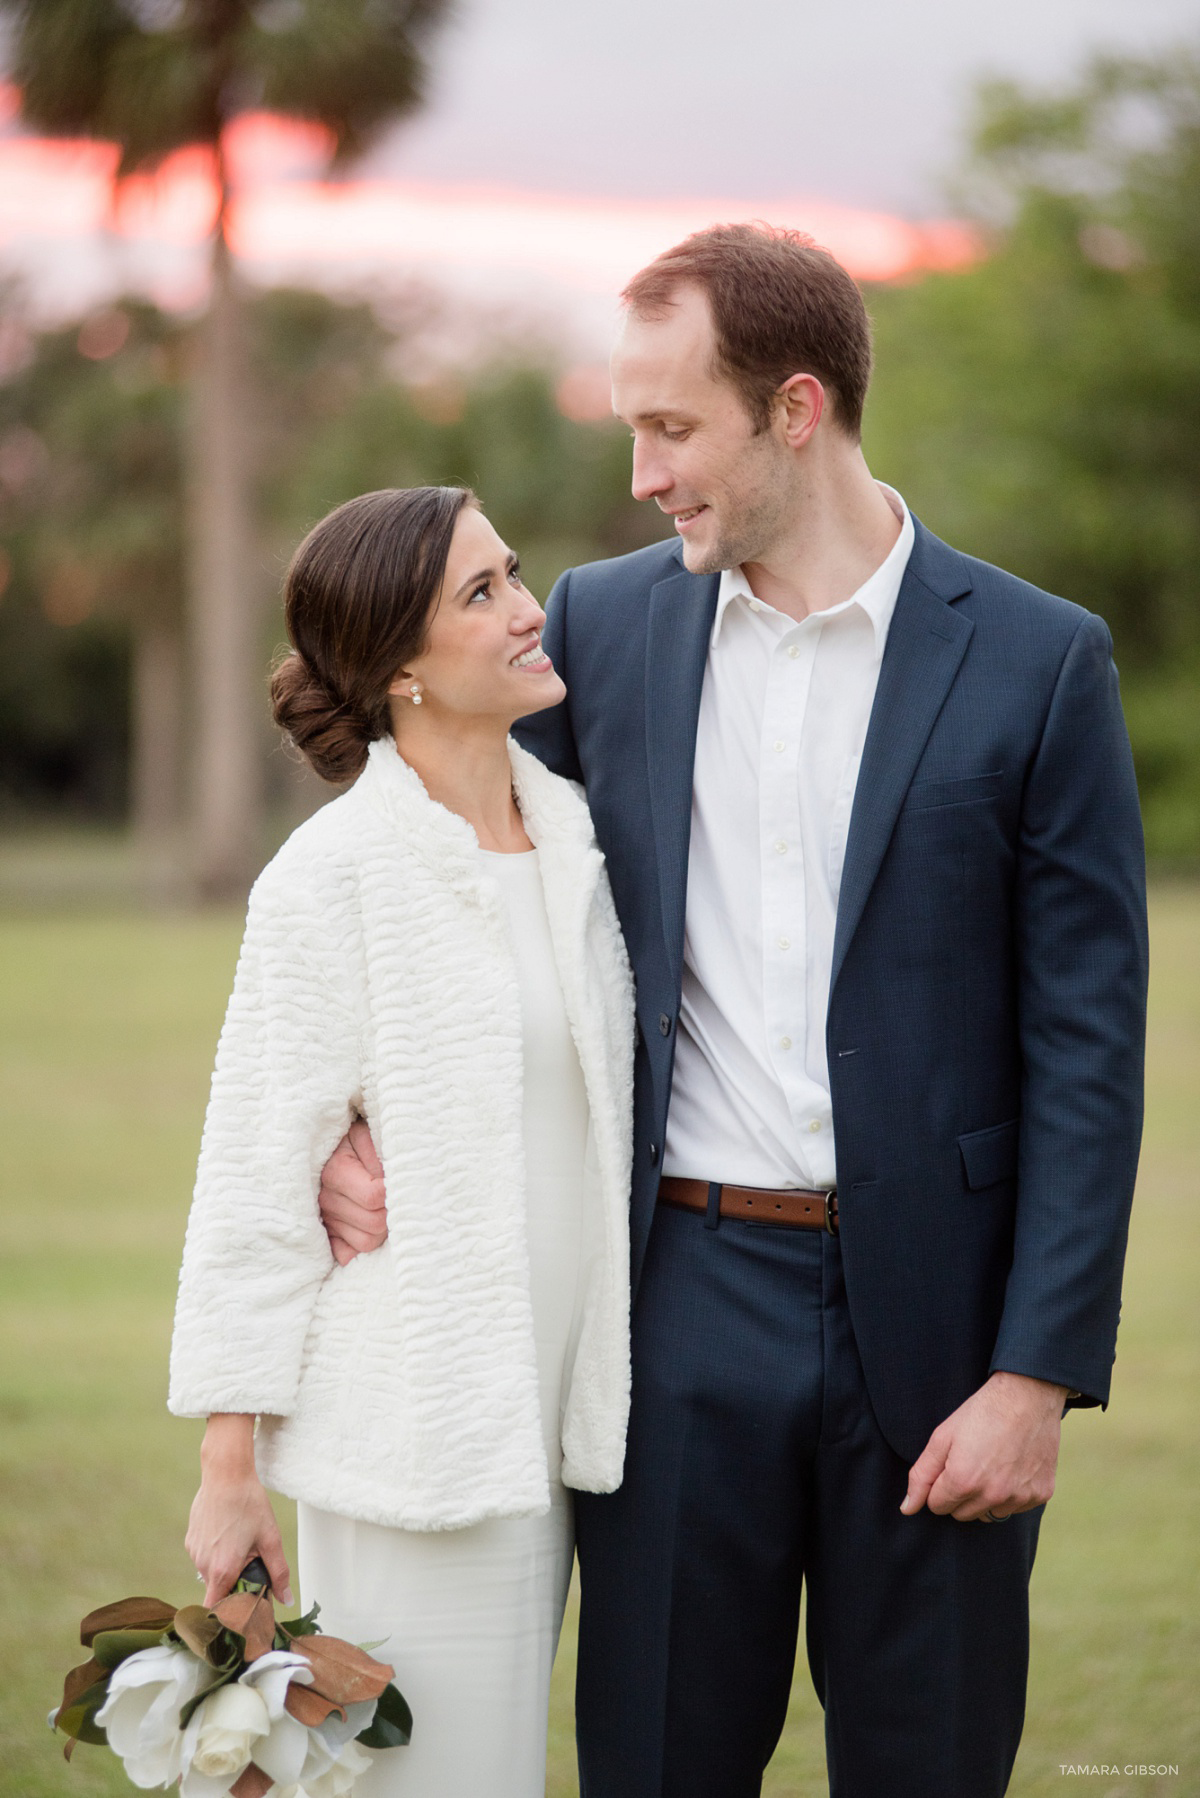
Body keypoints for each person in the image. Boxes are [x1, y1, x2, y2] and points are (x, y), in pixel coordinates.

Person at [316, 225, 1149, 1798]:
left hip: (949, 1333)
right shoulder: (606, 629)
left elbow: (1090, 1048)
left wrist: (1036, 1371)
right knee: (655, 1763)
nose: (640, 472)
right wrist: (350, 1112)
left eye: (670, 427)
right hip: (677, 1308)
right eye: (629, 426)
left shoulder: (1042, 662)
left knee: (932, 1768)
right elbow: (457, 885)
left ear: (796, 408)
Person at [168, 485, 635, 1798]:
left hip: (563, 1433)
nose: (530, 609)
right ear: (400, 671)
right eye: (479, 594)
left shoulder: (576, 840)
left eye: (514, 573)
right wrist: (229, 1469)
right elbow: (255, 1180)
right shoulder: (333, 876)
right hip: (417, 1440)